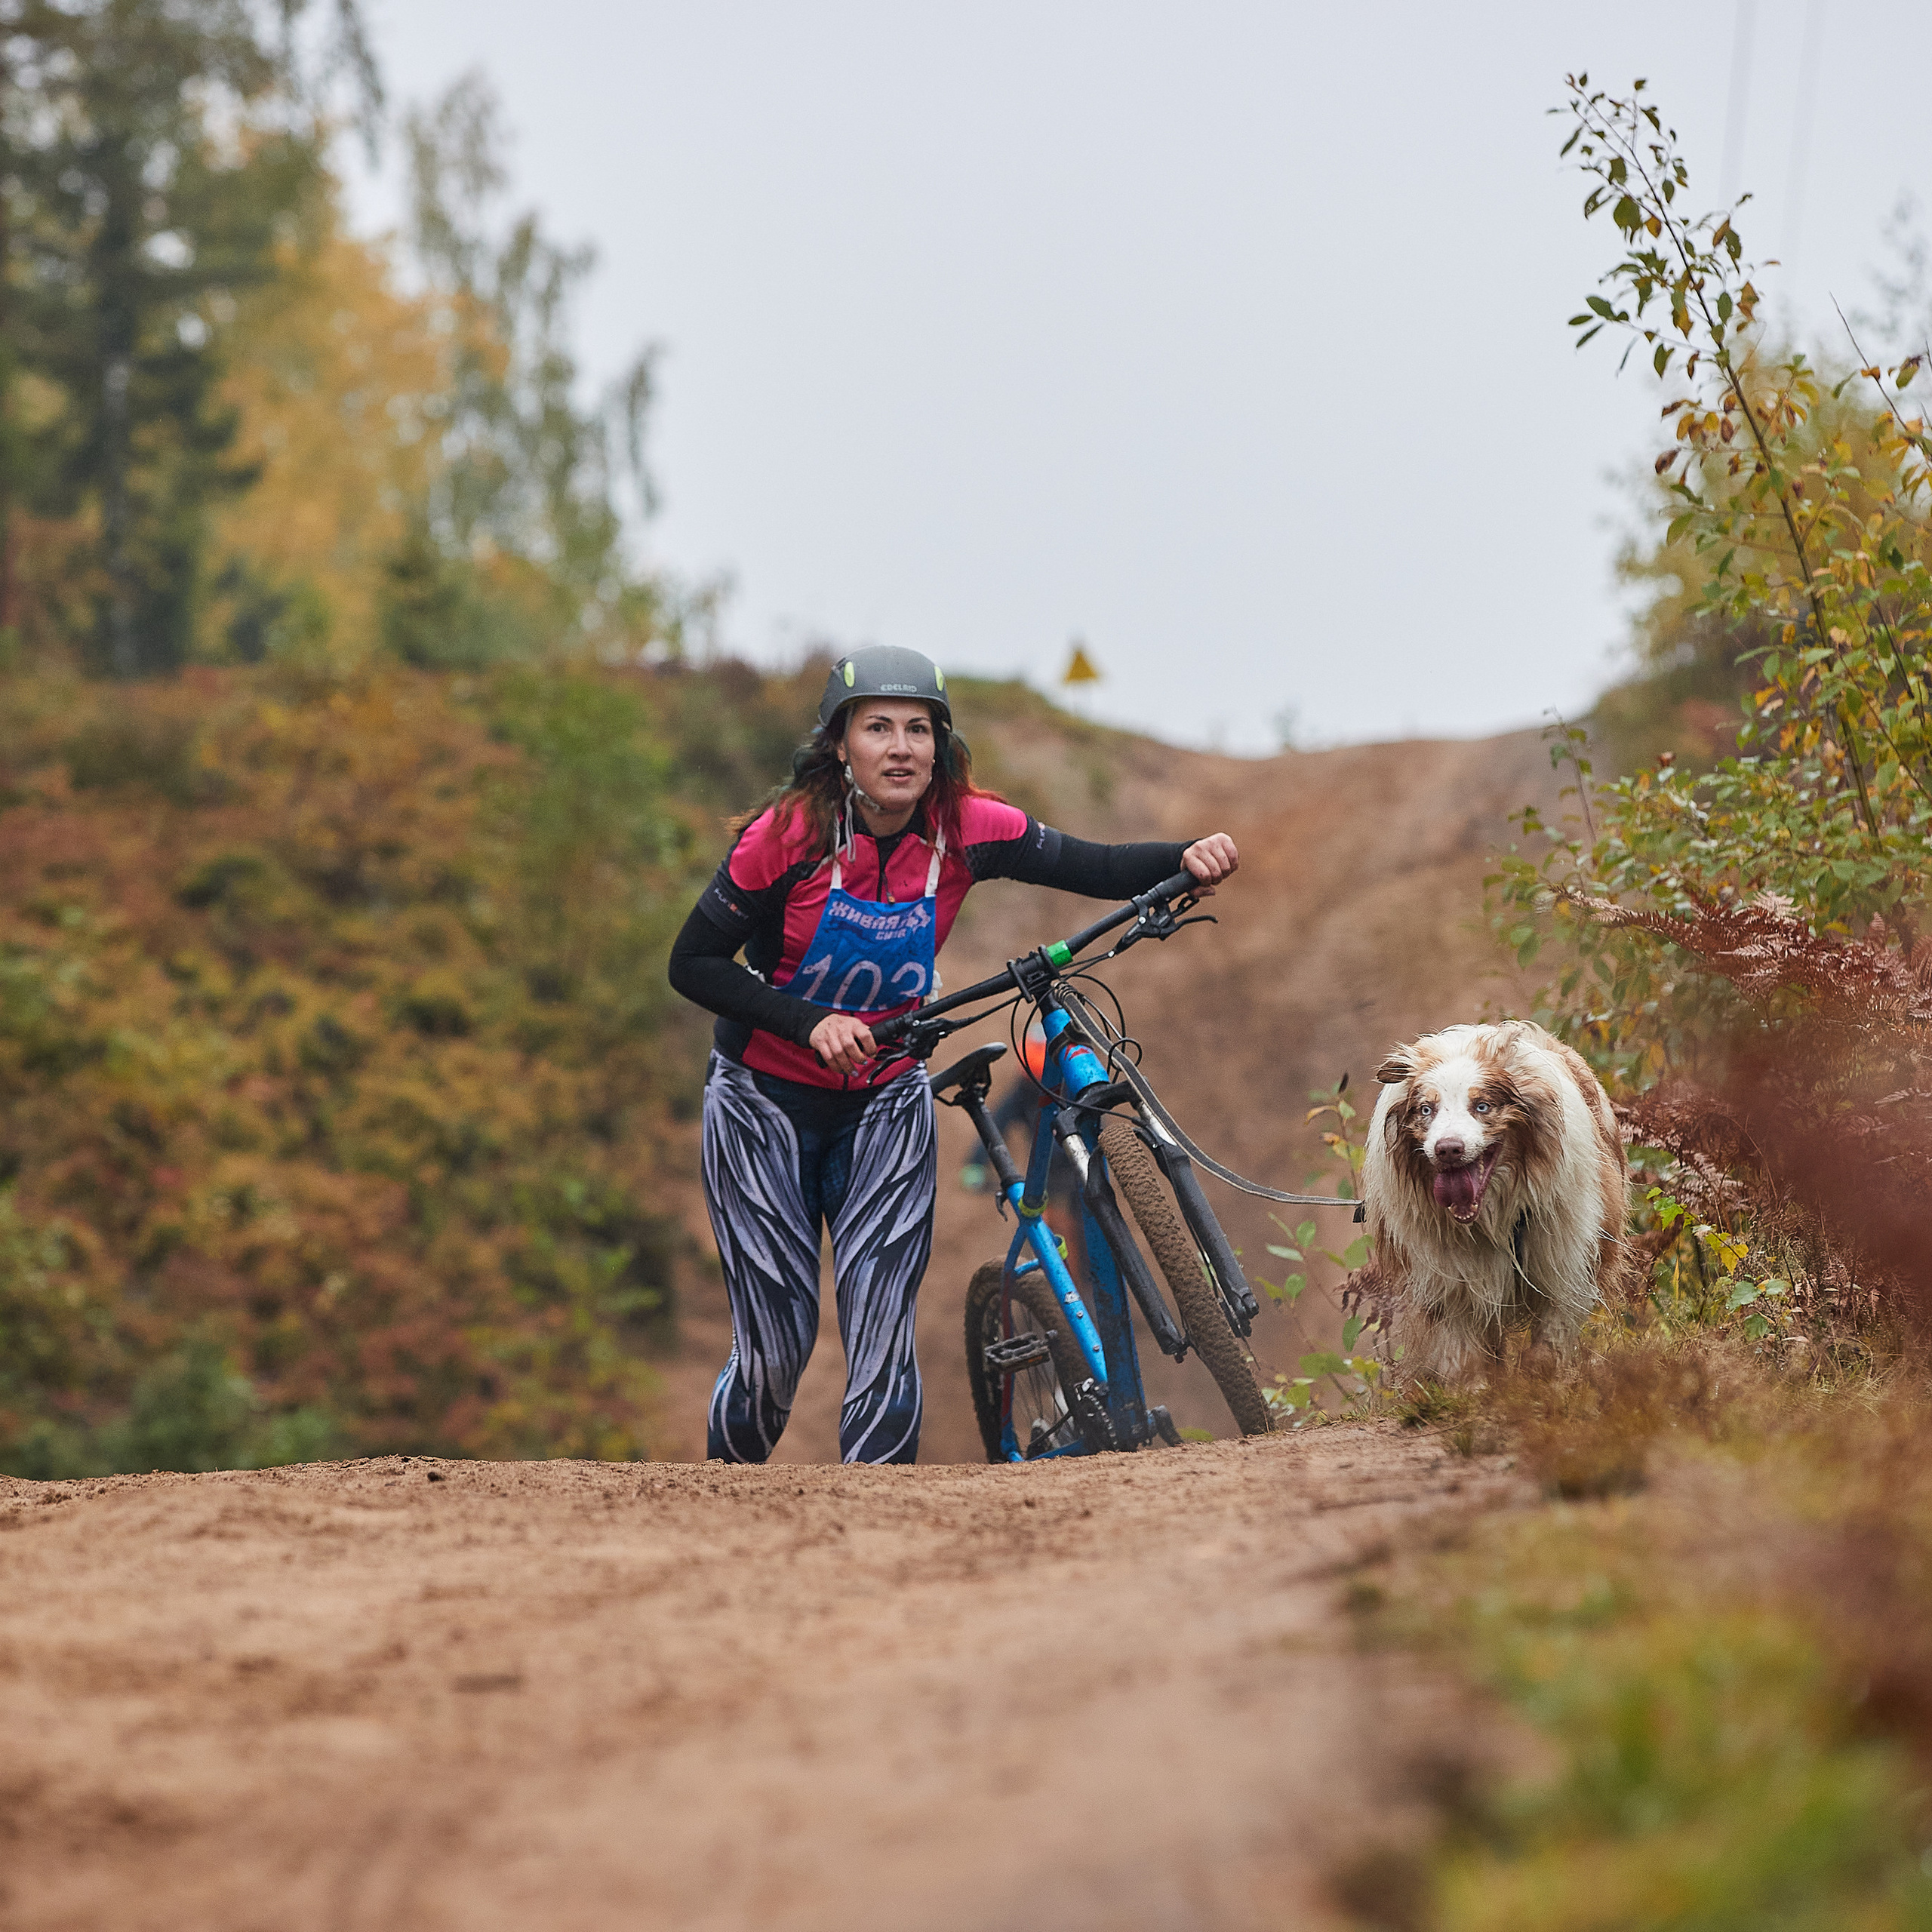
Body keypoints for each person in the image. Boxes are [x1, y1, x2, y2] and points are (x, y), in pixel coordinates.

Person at [666, 645, 1238, 1464]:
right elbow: (692, 964)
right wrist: (806, 1022)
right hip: (764, 1104)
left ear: (939, 746)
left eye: (918, 729)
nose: (901, 747)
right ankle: (722, 1511)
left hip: (885, 1098)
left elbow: (1098, 865)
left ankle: (878, 1540)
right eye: (878, 729)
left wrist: (1187, 857)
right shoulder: (786, 836)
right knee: (775, 1353)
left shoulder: (968, 827)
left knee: (882, 1332)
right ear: (841, 745)